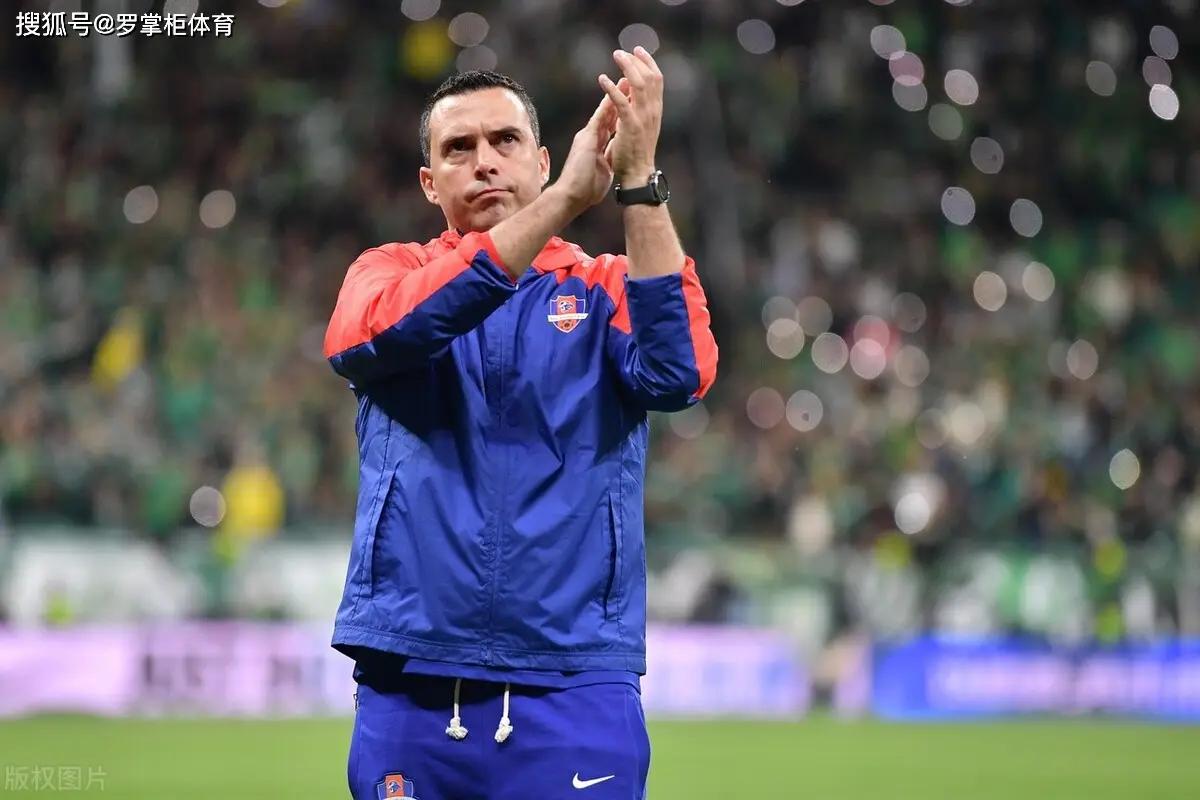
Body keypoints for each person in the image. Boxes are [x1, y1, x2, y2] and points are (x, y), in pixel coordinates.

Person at [324, 47, 717, 800]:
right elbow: (374, 337)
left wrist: (638, 180)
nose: (484, 162)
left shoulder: (606, 288)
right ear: (429, 182)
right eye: (458, 148)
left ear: (541, 161)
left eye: (505, 141)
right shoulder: (387, 273)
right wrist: (564, 203)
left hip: (575, 680)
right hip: (412, 675)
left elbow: (680, 374)